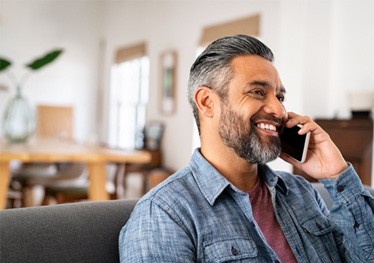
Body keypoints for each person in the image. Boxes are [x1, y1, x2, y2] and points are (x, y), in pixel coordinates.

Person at [119, 35, 374, 262]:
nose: (279, 110)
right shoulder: (163, 215)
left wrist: (336, 174)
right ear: (207, 102)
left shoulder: (302, 194)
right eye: (257, 92)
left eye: (280, 97)